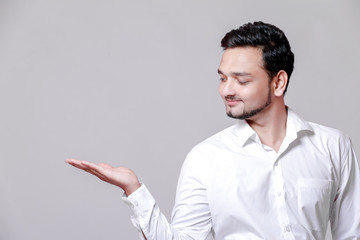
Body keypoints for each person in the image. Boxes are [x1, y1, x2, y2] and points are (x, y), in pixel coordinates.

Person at [66, 21, 360, 240]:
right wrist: (133, 189)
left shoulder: (334, 147)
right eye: (222, 78)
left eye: (241, 80)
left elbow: (351, 233)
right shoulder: (206, 158)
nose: (226, 90)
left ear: (278, 82)